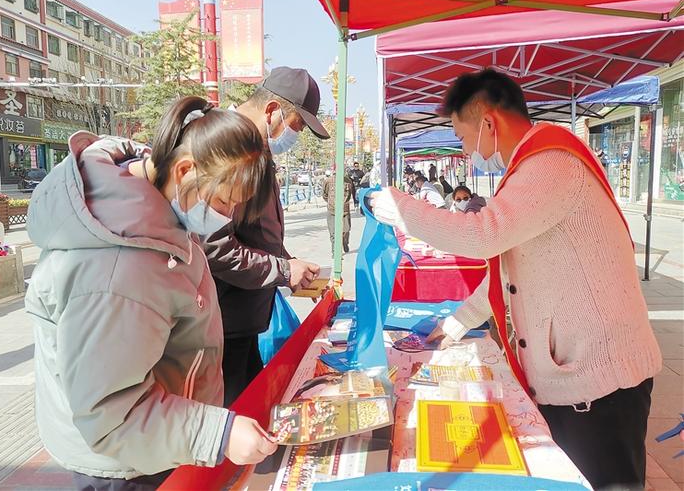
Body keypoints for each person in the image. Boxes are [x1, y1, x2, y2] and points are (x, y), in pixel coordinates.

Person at [369, 69, 661, 490]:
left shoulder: (553, 163)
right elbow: (509, 273)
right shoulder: (529, 169)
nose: (466, 151)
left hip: (603, 384)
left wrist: (402, 209)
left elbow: (484, 235)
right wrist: (454, 324)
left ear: (488, 123)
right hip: (572, 379)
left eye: (463, 138)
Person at [25, 98, 279, 489]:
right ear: (185, 170)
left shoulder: (155, 203)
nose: (226, 216)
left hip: (153, 441)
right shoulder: (117, 268)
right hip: (124, 461)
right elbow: (112, 415)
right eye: (224, 201)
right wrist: (220, 434)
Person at [205, 67, 323, 407]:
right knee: (232, 417)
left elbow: (256, 230)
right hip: (221, 324)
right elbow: (215, 247)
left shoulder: (254, 149)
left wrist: (290, 265)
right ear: (272, 111)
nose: (295, 135)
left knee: (254, 404)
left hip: (243, 320)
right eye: (296, 126)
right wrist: (283, 271)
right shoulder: (226, 147)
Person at [323, 169, 354, 254]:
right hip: (332, 210)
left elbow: (350, 194)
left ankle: (345, 242)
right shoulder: (328, 181)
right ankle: (335, 251)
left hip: (344, 210)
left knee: (346, 230)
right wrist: (331, 202)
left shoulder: (348, 181)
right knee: (333, 232)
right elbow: (325, 194)